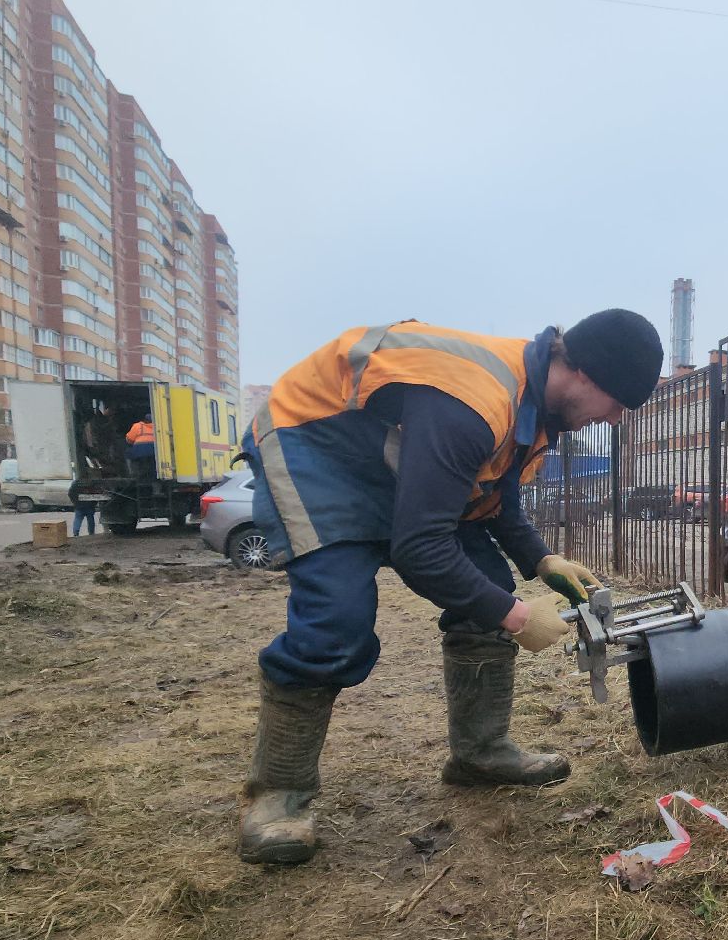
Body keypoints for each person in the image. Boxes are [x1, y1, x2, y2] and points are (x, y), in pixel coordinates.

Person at [237, 309, 663, 865]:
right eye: (618, 405)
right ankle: (277, 794)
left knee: (484, 583)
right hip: (316, 448)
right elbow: (421, 549)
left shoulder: (531, 406)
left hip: (392, 464)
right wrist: (515, 617)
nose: (612, 420)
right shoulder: (473, 401)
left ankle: (479, 754)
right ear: (586, 374)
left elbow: (494, 495)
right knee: (336, 619)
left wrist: (542, 560)